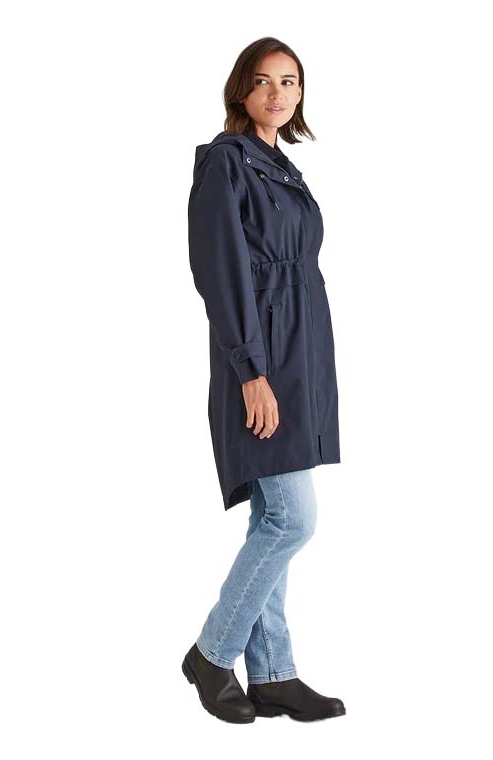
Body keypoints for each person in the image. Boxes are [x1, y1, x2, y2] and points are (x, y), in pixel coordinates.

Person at [182, 37, 345, 723]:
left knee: (274, 517)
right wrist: (251, 371)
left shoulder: (282, 167)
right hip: (261, 360)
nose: (278, 93)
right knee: (291, 518)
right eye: (263, 80)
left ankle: (274, 675)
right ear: (240, 90)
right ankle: (212, 654)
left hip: (300, 358)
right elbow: (220, 272)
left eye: (290, 81)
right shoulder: (226, 163)